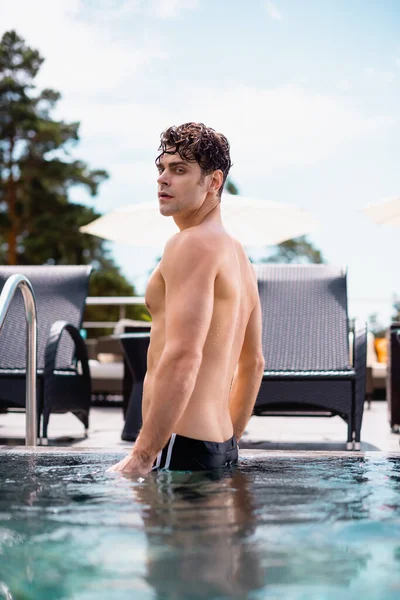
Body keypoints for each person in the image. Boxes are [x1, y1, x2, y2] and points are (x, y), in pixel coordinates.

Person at [108, 122, 264, 475]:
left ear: (213, 182)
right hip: (218, 445)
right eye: (161, 169)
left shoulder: (190, 243)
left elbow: (182, 355)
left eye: (179, 170)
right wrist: (229, 444)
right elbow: (253, 364)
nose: (163, 179)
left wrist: (142, 456)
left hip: (175, 444)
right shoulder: (240, 257)